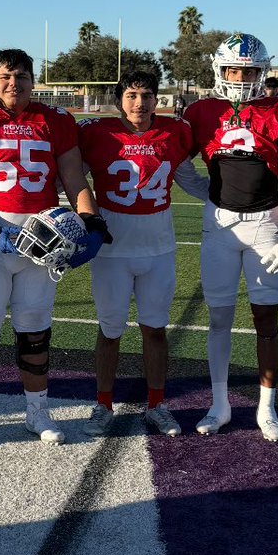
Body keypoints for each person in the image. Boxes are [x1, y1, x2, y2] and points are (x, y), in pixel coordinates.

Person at [0, 47, 110, 450]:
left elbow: (74, 180)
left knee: (35, 332)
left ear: (33, 81)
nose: (12, 84)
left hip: (43, 237)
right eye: (5, 76)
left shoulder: (56, 120)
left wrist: (91, 222)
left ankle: (37, 412)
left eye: (20, 76)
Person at [181, 32, 278, 442]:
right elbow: (179, 163)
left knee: (265, 320)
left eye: (249, 70)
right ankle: (220, 405)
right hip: (219, 226)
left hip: (265, 225)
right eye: (233, 68)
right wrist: (208, 194)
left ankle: (266, 408)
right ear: (220, 69)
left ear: (262, 72)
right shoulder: (201, 111)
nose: (240, 76)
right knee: (218, 320)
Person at [78, 69, 196, 438]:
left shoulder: (175, 132)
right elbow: (73, 178)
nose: (139, 103)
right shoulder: (97, 133)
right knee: (110, 331)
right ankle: (103, 404)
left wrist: (231, 203)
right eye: (131, 95)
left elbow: (189, 178)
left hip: (158, 248)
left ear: (156, 99)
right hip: (112, 250)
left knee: (155, 329)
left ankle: (157, 404)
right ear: (118, 101)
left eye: (146, 95)